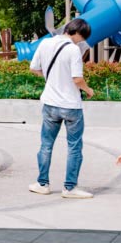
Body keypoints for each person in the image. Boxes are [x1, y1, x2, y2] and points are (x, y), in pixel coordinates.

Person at [28, 18, 96, 199]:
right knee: (74, 147)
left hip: (50, 103)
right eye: (82, 38)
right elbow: (77, 79)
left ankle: (42, 184)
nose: (81, 41)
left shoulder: (45, 43)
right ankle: (70, 188)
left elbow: (34, 68)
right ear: (79, 33)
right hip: (71, 106)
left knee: (46, 145)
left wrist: (51, 81)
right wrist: (88, 90)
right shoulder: (73, 50)